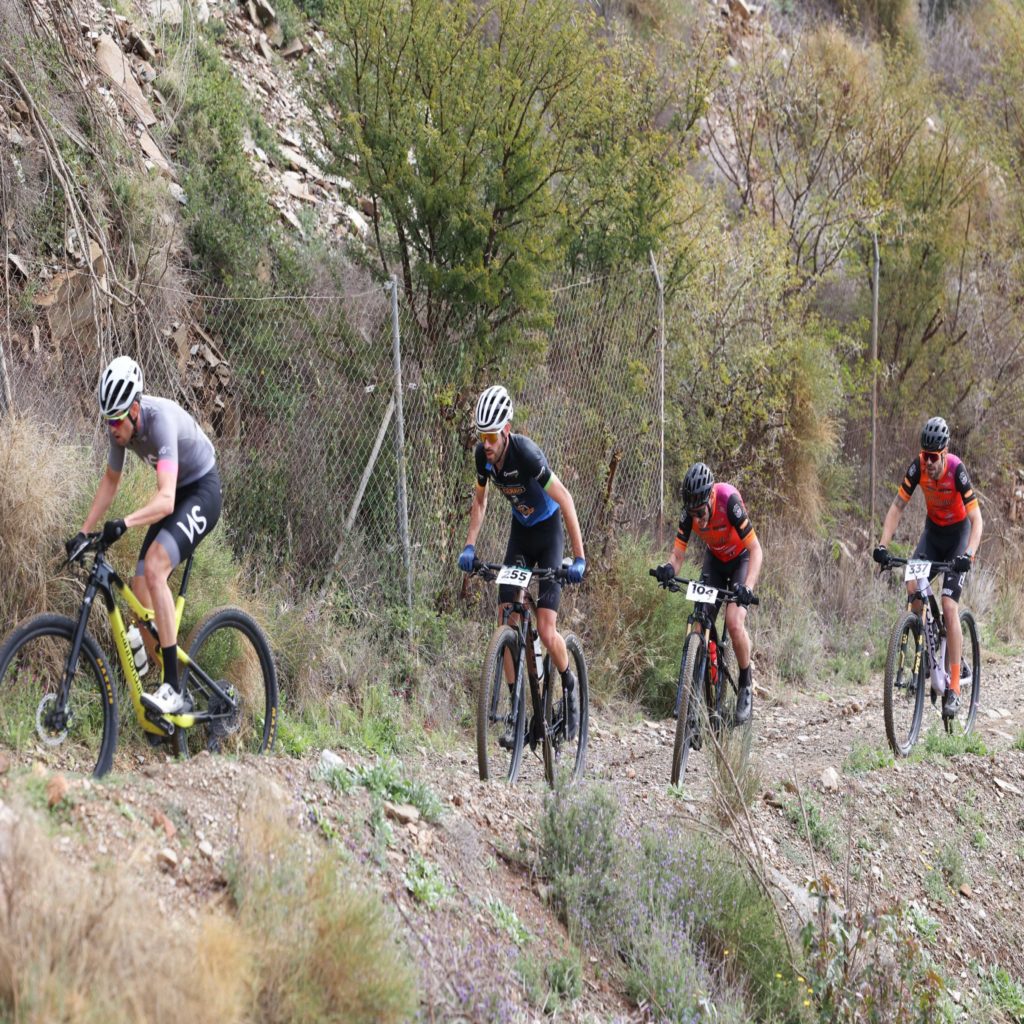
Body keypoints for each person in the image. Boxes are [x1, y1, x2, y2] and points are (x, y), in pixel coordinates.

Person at [66, 356, 222, 716]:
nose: (112, 428)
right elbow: (111, 481)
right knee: (140, 594)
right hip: (175, 495)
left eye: (116, 420)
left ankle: (173, 688)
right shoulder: (121, 428)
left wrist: (124, 523)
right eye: (107, 421)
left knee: (154, 568)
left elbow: (165, 500)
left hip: (201, 491)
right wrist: (83, 532)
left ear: (135, 410)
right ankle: (168, 693)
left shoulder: (160, 420)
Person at [458, 385, 586, 741]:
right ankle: (516, 714)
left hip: (548, 534)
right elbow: (480, 501)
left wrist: (579, 557)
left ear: (507, 430)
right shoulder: (483, 457)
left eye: (492, 436)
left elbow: (565, 499)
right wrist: (469, 546)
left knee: (545, 629)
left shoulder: (527, 455)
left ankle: (570, 686)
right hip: (521, 533)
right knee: (506, 616)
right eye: (481, 436)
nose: (486, 443)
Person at [873, 416, 983, 718]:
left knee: (948, 605)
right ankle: (922, 647)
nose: (929, 462)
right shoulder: (918, 466)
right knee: (913, 586)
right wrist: (882, 545)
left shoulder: (957, 470)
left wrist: (969, 554)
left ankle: (955, 689)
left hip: (958, 538)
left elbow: (977, 519)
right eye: (925, 455)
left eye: (934, 457)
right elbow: (897, 506)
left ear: (945, 453)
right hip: (933, 536)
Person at [653, 462, 762, 725]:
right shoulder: (690, 512)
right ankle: (697, 692)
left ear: (711, 496)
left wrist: (747, 587)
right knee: (700, 618)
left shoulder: (729, 501)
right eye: (693, 513)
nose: (698, 519)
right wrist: (668, 569)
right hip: (715, 561)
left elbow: (756, 550)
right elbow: (678, 555)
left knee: (734, 622)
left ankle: (745, 683)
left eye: (701, 512)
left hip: (741, 560)